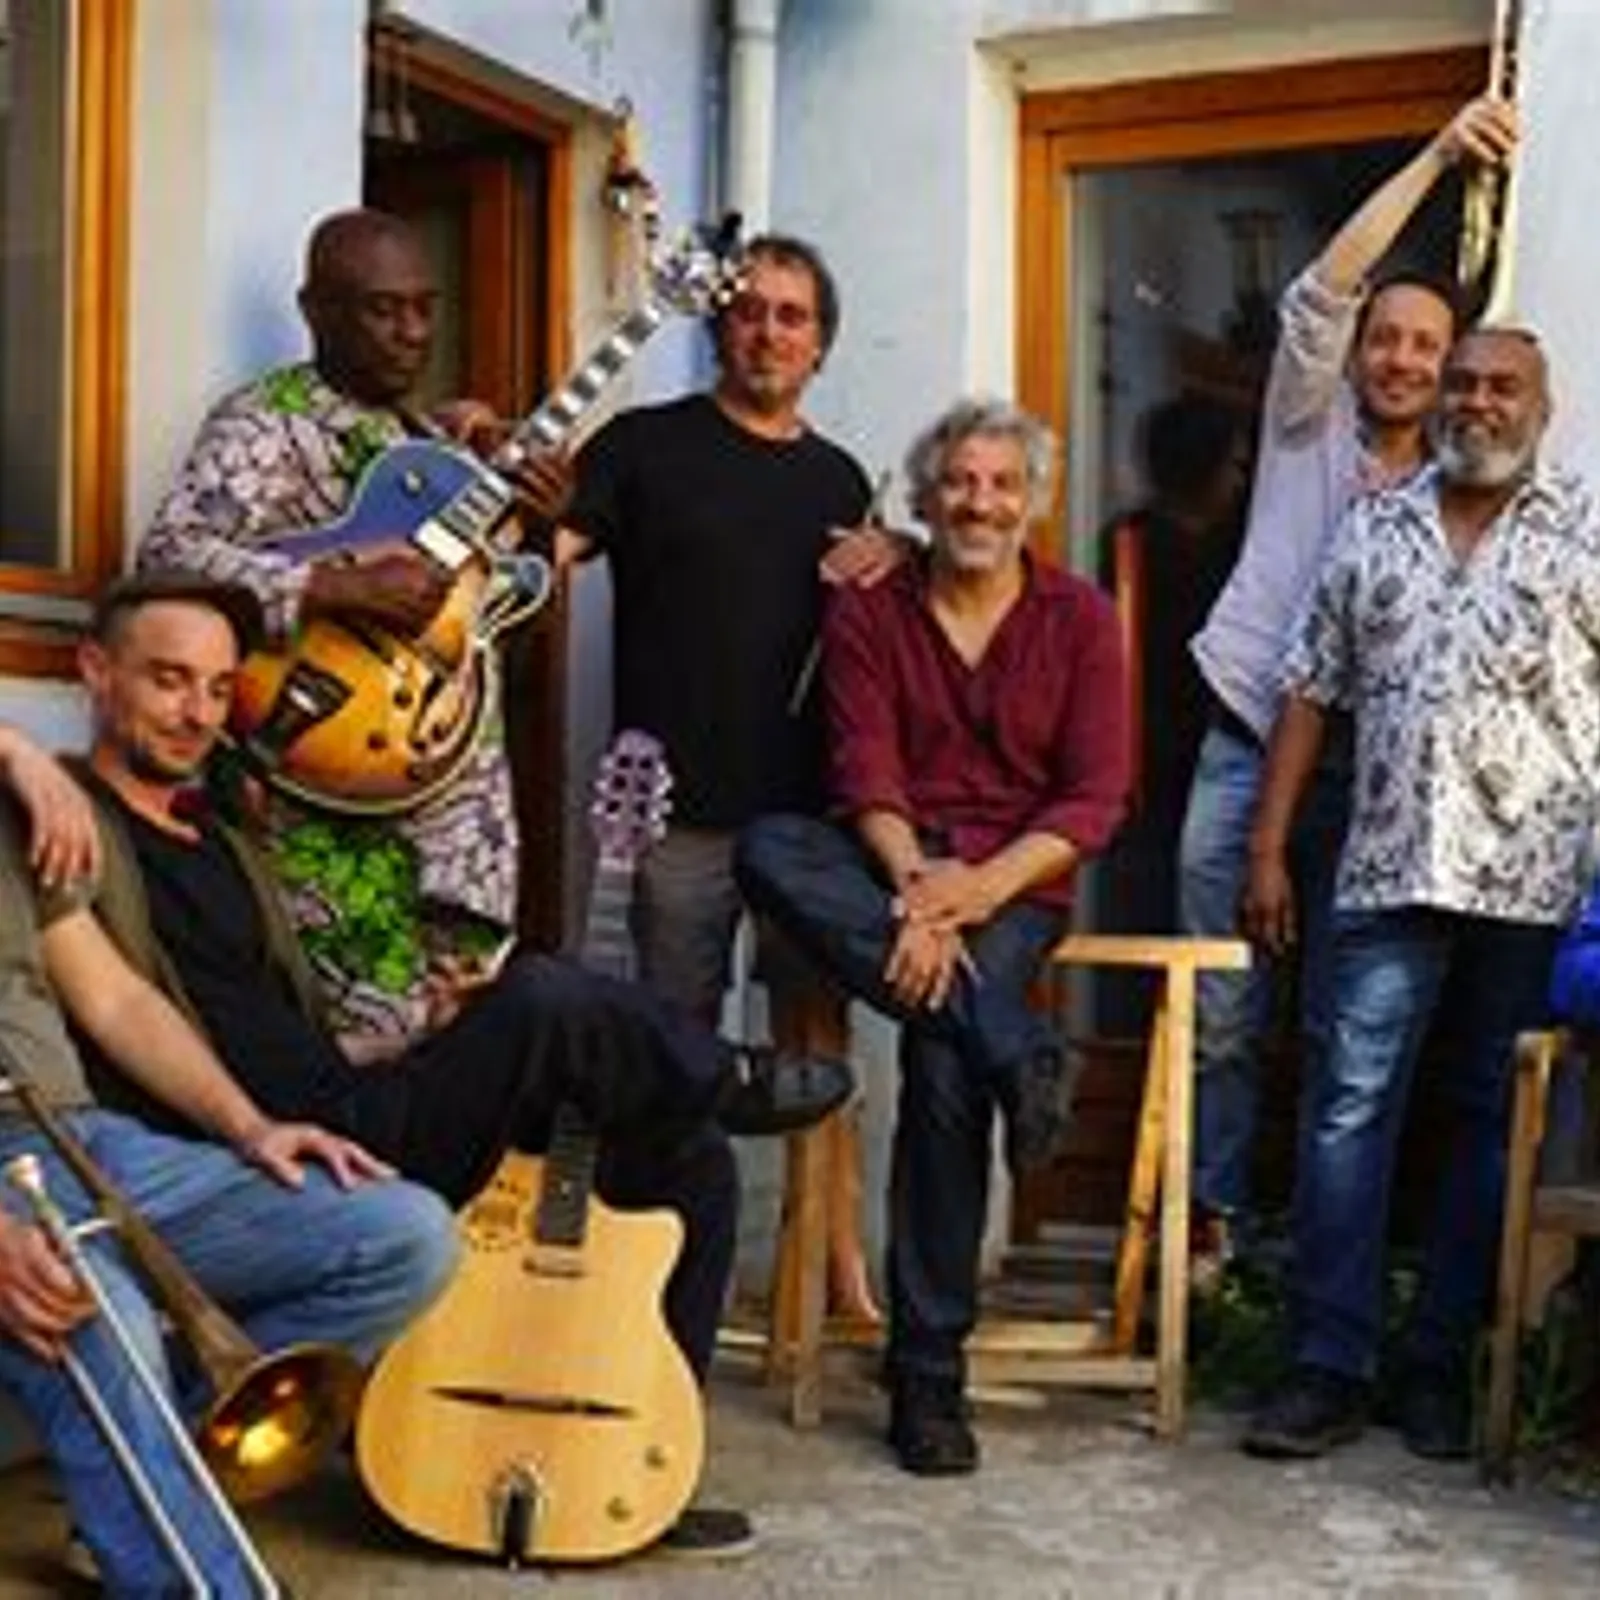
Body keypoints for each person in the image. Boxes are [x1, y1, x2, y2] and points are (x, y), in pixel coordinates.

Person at [48, 572, 846, 1558]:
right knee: (543, 997)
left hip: (343, 1098)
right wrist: (28, 761)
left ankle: (644, 1461)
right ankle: (722, 1075)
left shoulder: (219, 832)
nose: (198, 712)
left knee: (683, 1162)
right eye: (169, 680)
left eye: (217, 688)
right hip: (257, 1150)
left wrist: (415, 1040)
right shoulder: (65, 820)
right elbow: (124, 1006)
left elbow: (273, 1026)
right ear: (94, 670)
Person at [735, 398, 1130, 1476]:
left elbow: (1093, 802)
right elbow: (864, 769)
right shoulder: (872, 610)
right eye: (960, 481)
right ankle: (1015, 1039)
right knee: (770, 846)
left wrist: (970, 893)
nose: (980, 502)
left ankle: (927, 1378)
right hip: (891, 864)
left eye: (1003, 484)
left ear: (1032, 501)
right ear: (924, 494)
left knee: (941, 1065)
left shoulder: (1082, 619)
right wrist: (914, 889)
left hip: (1013, 884)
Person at [1240, 326, 1600, 1460]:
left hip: (1535, 878)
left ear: (1541, 404)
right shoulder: (1373, 524)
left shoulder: (1587, 528)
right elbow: (1306, 686)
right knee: (1348, 1112)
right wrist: (1265, 845)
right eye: (1463, 381)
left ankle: (1438, 1364)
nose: (1476, 401)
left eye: (1501, 385)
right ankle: (1325, 1365)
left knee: (1491, 1124)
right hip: (1390, 861)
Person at [0, 725, 458, 1597]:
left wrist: (253, 1129)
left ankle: (133, 1484)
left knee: (404, 1234)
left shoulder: (18, 802)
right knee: (96, 1309)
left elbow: (117, 1001)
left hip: (81, 1136)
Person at [1179, 96, 1517, 1257]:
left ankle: (1312, 1253)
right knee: (1222, 1004)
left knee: (1340, 1029)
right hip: (1242, 740)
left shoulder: (1456, 482)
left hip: (1368, 779)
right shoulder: (1301, 419)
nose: (1405, 360)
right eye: (1388, 337)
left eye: (1428, 346)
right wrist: (1438, 151)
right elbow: (1325, 282)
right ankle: (1214, 1229)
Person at [554, 232, 900, 1318]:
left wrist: (886, 570)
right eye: (749, 309)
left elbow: (868, 649)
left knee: (815, 1053)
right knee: (671, 1055)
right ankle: (653, 1299)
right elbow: (544, 558)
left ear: (821, 344)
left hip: (804, 828)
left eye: (792, 316)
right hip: (669, 818)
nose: (768, 330)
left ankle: (828, 1272)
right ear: (717, 324)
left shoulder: (840, 476)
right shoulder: (643, 447)